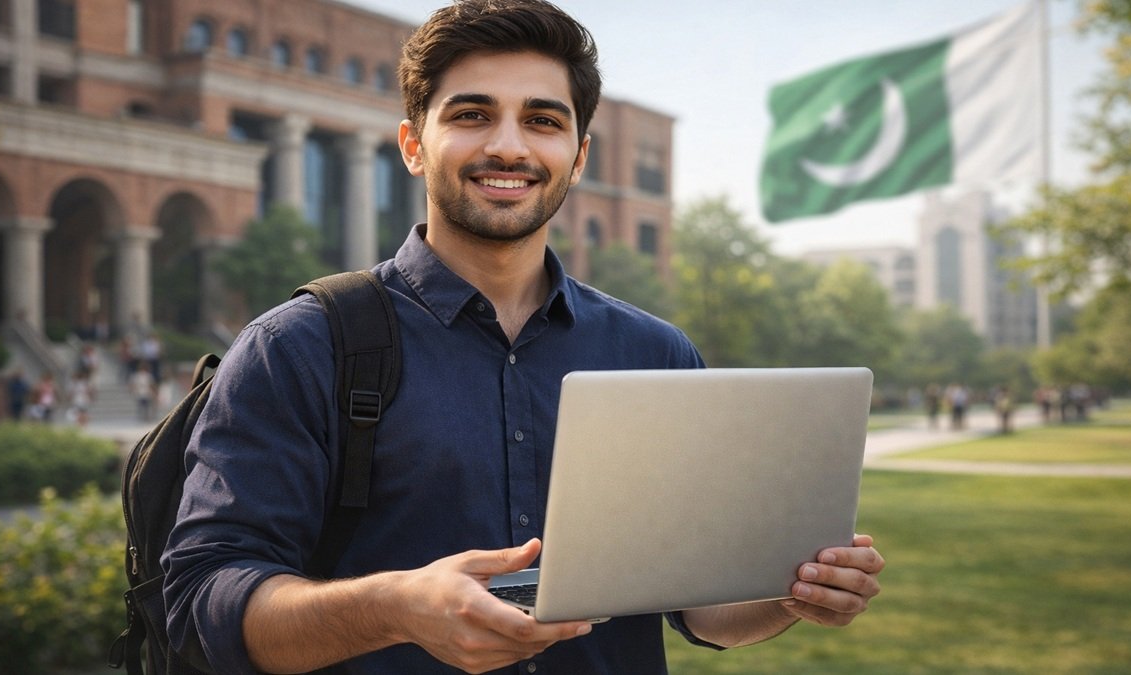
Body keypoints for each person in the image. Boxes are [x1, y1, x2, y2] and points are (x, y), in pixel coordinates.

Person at [162, 2, 884, 673]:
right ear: (413, 145)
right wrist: (394, 608)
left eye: (542, 120)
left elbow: (701, 607)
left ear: (578, 155)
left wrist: (791, 591)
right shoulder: (297, 348)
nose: (509, 147)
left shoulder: (656, 355)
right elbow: (202, 603)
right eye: (472, 115)